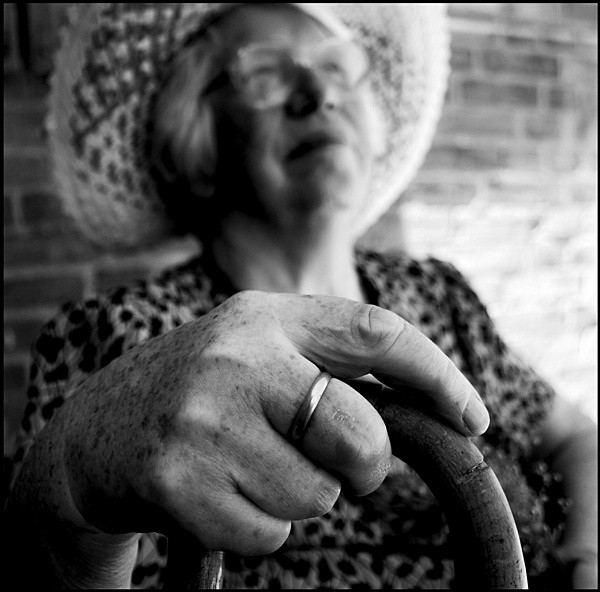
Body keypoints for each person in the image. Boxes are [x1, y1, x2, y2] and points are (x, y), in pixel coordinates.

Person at [4, 3, 597, 589]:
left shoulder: (438, 294)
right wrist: (79, 464)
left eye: (337, 67)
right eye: (266, 71)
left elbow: (575, 438)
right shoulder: (118, 335)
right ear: (197, 140)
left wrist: (587, 558)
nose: (319, 92)